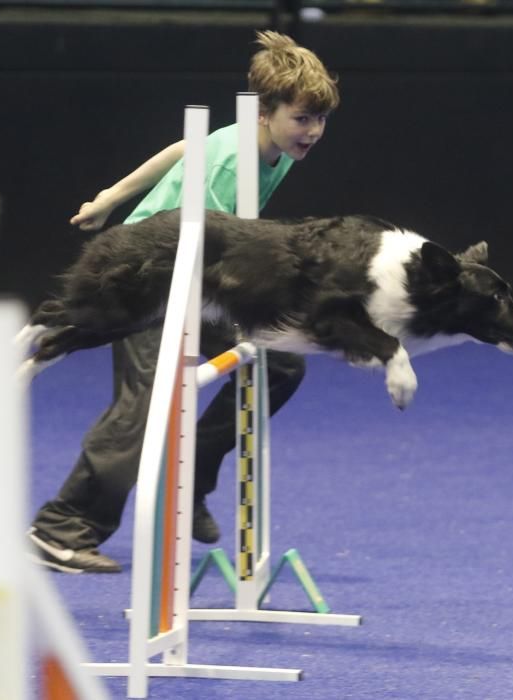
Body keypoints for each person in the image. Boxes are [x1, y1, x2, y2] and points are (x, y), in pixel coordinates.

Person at [28, 30, 340, 573]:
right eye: (302, 118)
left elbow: (182, 148)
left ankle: (191, 475)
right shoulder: (230, 166)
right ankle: (60, 529)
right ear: (266, 113)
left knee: (281, 362)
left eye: (319, 119)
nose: (312, 132)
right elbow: (220, 252)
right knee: (146, 406)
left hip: (197, 277)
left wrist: (110, 196)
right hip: (144, 279)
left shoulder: (271, 144)